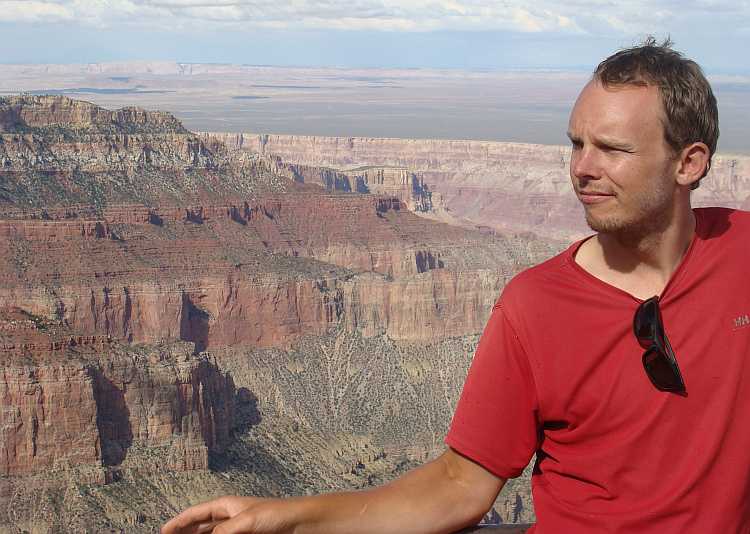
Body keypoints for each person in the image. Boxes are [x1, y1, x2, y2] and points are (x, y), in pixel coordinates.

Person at [163, 38, 750, 534]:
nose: (581, 168)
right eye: (576, 143)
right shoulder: (535, 306)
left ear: (689, 164)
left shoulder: (741, 252)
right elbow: (461, 484)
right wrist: (285, 519)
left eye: (612, 149)